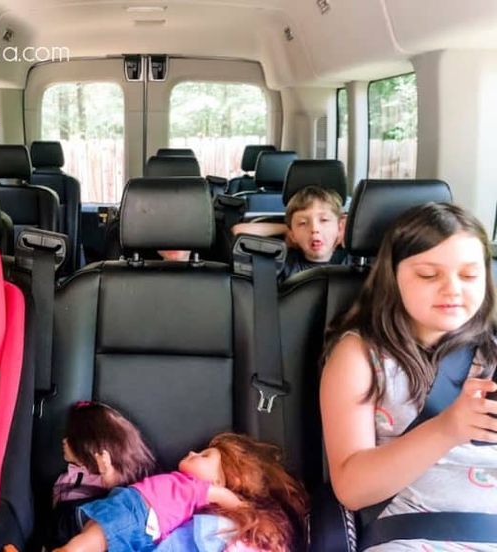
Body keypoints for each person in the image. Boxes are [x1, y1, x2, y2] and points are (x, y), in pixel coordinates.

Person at [321, 203, 497, 550]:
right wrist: (447, 429)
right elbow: (352, 489)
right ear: (393, 276)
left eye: (469, 275)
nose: (452, 289)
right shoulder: (359, 355)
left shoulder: (491, 347)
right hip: (417, 532)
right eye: (429, 275)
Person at [55, 432, 308, 552]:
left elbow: (228, 500)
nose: (191, 453)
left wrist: (245, 508)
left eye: (204, 456)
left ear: (222, 480)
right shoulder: (191, 494)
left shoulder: (205, 495)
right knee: (88, 543)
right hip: (133, 510)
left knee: (89, 542)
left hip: (136, 516)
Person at [50, 401, 157, 548]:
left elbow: (121, 504)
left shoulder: (113, 480)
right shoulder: (71, 474)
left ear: (88, 447)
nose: (64, 441)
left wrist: (109, 476)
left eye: (71, 440)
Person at [232, 186, 346, 280]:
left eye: (324, 220)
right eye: (303, 223)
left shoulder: (353, 261)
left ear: (339, 228)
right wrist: (286, 229)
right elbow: (238, 231)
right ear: (293, 235)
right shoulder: (285, 265)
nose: (314, 229)